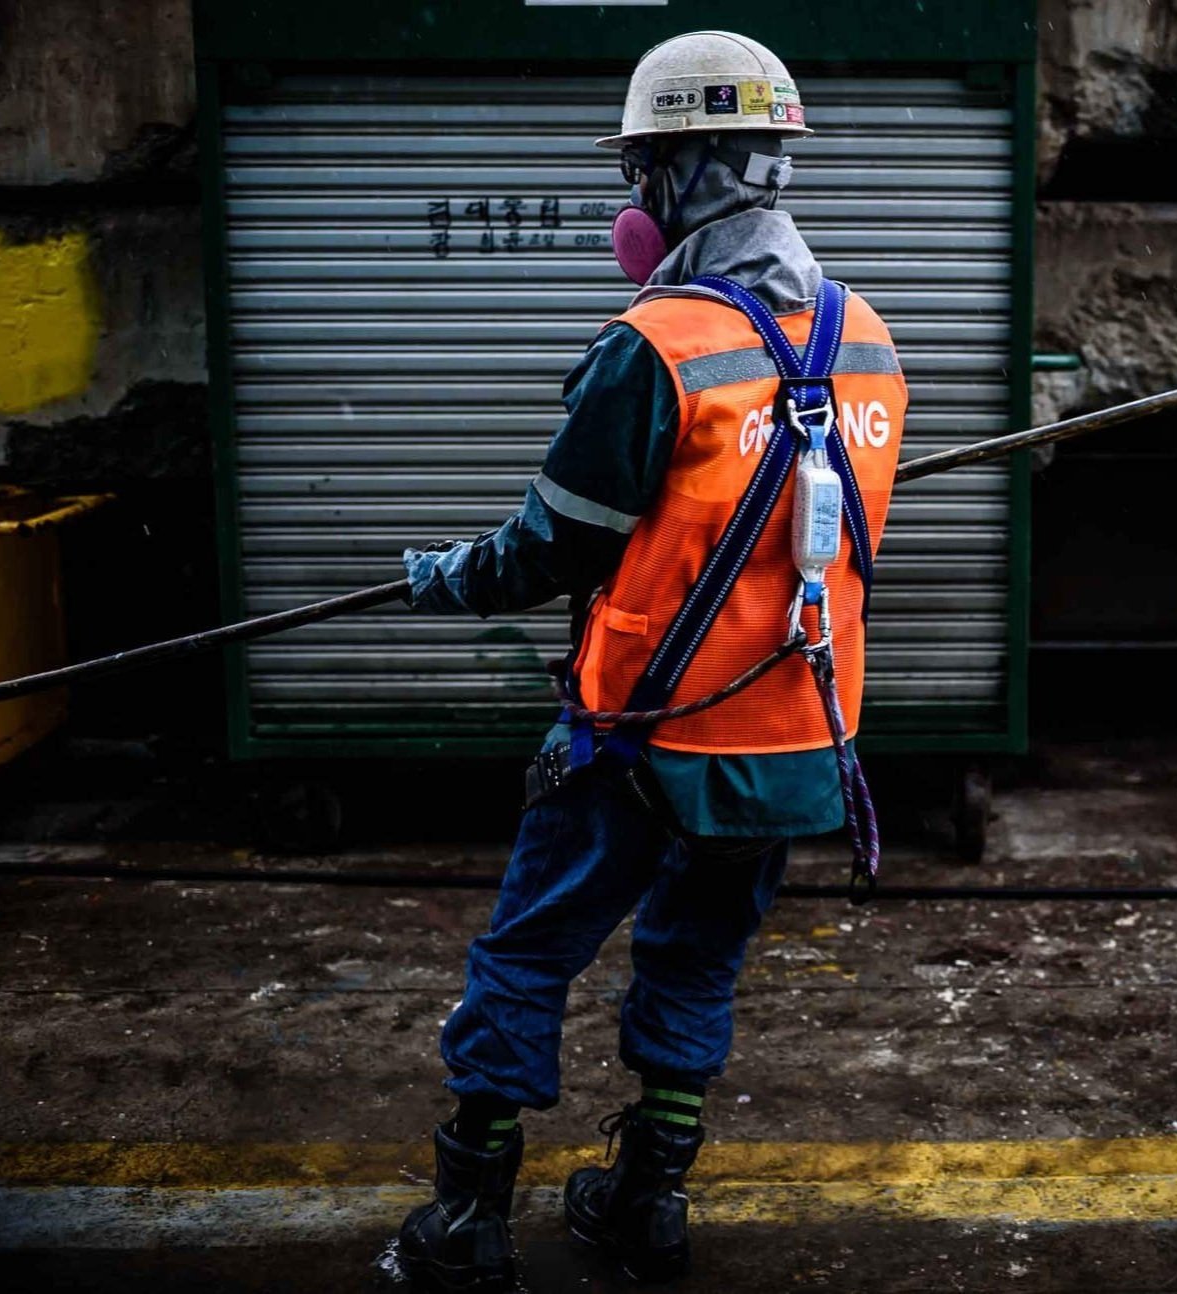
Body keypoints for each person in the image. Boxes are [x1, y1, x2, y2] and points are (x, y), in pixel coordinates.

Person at [391, 31, 907, 1291]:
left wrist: (440, 577)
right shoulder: (870, 340)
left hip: (639, 742)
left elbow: (549, 549)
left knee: (523, 957)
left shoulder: (657, 343)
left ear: (674, 176)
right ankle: (645, 1201)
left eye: (640, 174)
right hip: (793, 745)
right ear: (773, 168)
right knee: (694, 958)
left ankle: (467, 1223)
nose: (632, 202)